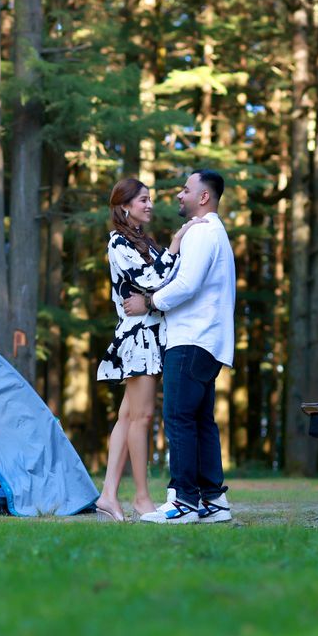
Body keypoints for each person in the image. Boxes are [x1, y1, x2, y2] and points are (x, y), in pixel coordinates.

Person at [122, 170, 235, 524]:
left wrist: (150, 301)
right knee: (201, 421)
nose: (179, 195)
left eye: (186, 190)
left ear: (204, 197)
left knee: (179, 419)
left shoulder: (202, 232)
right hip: (209, 341)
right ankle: (213, 502)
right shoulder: (216, 232)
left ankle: (184, 501)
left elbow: (186, 284)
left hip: (191, 339)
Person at [94, 177, 206, 522]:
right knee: (140, 418)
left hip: (151, 331)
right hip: (139, 337)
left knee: (128, 417)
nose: (150, 204)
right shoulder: (118, 242)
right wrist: (175, 244)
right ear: (125, 205)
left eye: (150, 199)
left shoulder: (143, 241)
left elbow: (163, 283)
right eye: (143, 200)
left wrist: (152, 297)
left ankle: (108, 496)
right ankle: (141, 498)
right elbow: (152, 279)